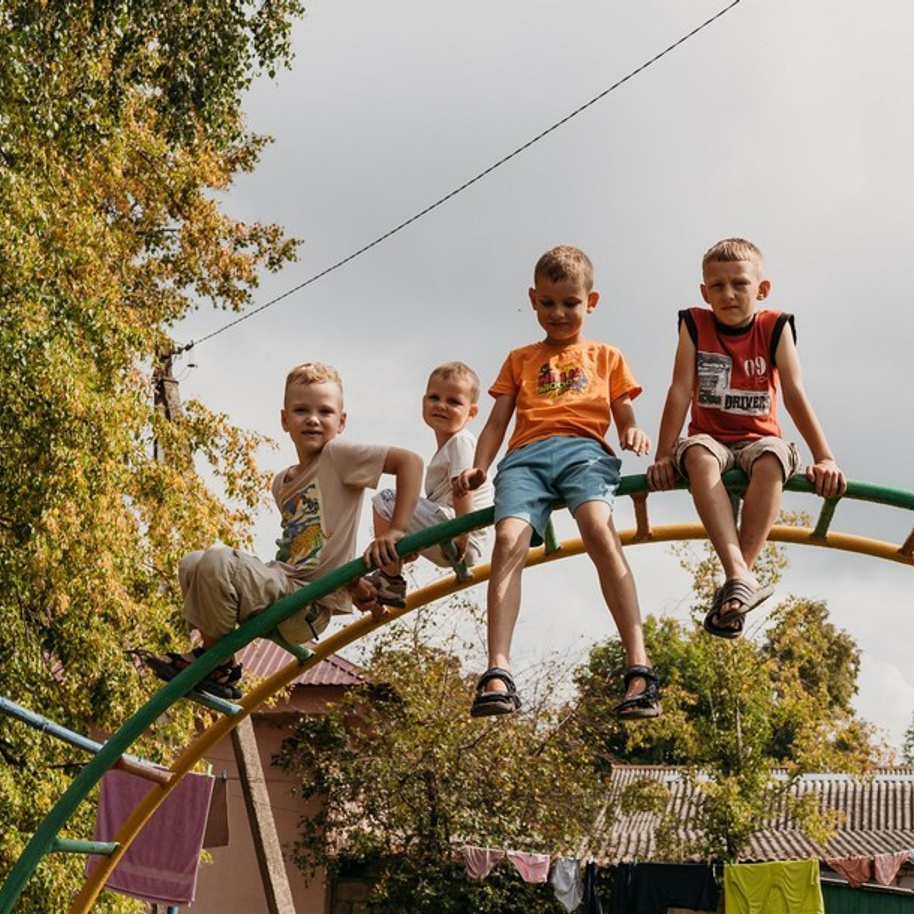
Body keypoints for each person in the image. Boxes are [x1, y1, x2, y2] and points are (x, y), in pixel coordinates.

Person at [453, 245, 660, 720]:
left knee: (596, 526)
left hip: (584, 450)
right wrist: (481, 465)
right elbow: (496, 422)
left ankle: (639, 663)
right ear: (532, 299)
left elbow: (623, 409)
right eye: (548, 303)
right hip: (524, 458)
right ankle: (498, 668)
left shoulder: (605, 356)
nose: (559, 313)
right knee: (508, 540)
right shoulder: (520, 358)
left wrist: (630, 429)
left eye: (570, 302)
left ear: (592, 301)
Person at [143, 361, 424, 698]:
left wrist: (396, 531)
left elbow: (410, 462)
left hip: (307, 604)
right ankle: (217, 661)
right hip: (284, 583)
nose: (313, 419)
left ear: (342, 421)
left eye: (325, 411)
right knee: (192, 562)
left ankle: (217, 666)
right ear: (284, 419)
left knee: (218, 558)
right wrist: (356, 584)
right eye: (302, 410)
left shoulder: (338, 456)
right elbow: (311, 547)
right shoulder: (282, 483)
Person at [647, 237, 845, 638]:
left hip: (760, 440)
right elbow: (680, 389)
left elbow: (793, 391)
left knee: (772, 459)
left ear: (762, 289)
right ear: (705, 292)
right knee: (699, 456)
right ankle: (740, 576)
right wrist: (665, 453)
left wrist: (824, 456)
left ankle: (738, 583)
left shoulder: (774, 326)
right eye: (717, 286)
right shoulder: (695, 324)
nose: (728, 294)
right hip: (710, 439)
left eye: (739, 283)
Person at [366, 361, 495, 607]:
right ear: (423, 402)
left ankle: (389, 577)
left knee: (387, 499)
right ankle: (393, 565)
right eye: (434, 397)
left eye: (454, 401)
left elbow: (463, 490)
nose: (441, 405)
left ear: (472, 412)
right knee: (400, 513)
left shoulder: (461, 442)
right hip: (453, 532)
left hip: (461, 533)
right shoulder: (446, 450)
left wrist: (462, 534)